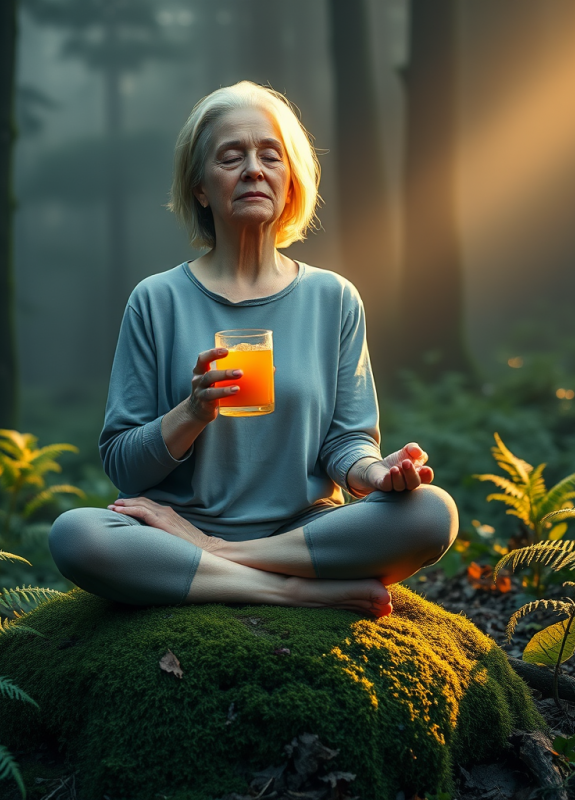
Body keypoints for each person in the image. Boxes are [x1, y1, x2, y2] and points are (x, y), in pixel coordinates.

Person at [49, 81, 458, 618]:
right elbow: (125, 468)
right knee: (75, 534)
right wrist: (192, 412)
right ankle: (289, 589)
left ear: (290, 181)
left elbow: (347, 442)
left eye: (270, 155)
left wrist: (375, 474)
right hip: (175, 527)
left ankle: (221, 560)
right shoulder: (156, 300)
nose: (253, 170)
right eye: (231, 157)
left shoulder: (333, 298)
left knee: (432, 513)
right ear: (200, 188)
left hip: (301, 528)